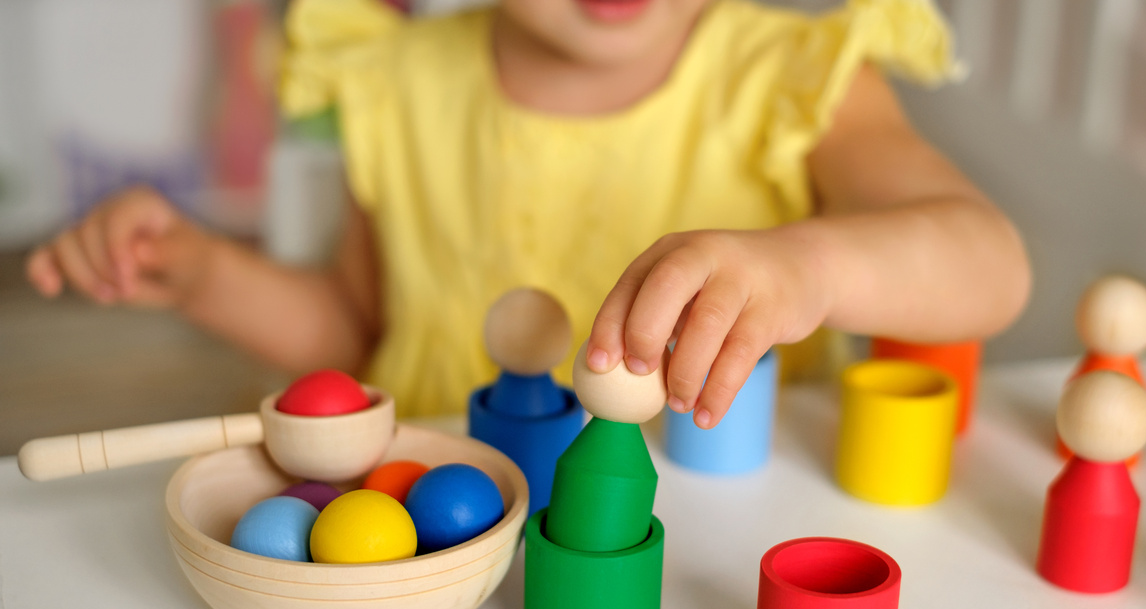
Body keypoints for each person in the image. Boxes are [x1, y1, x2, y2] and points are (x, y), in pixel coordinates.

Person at [24, 0, 1030, 429]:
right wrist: (203, 273)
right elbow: (356, 329)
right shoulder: (400, 84)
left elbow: (989, 265)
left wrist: (809, 268)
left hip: (710, 540)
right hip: (443, 530)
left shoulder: (794, 81)